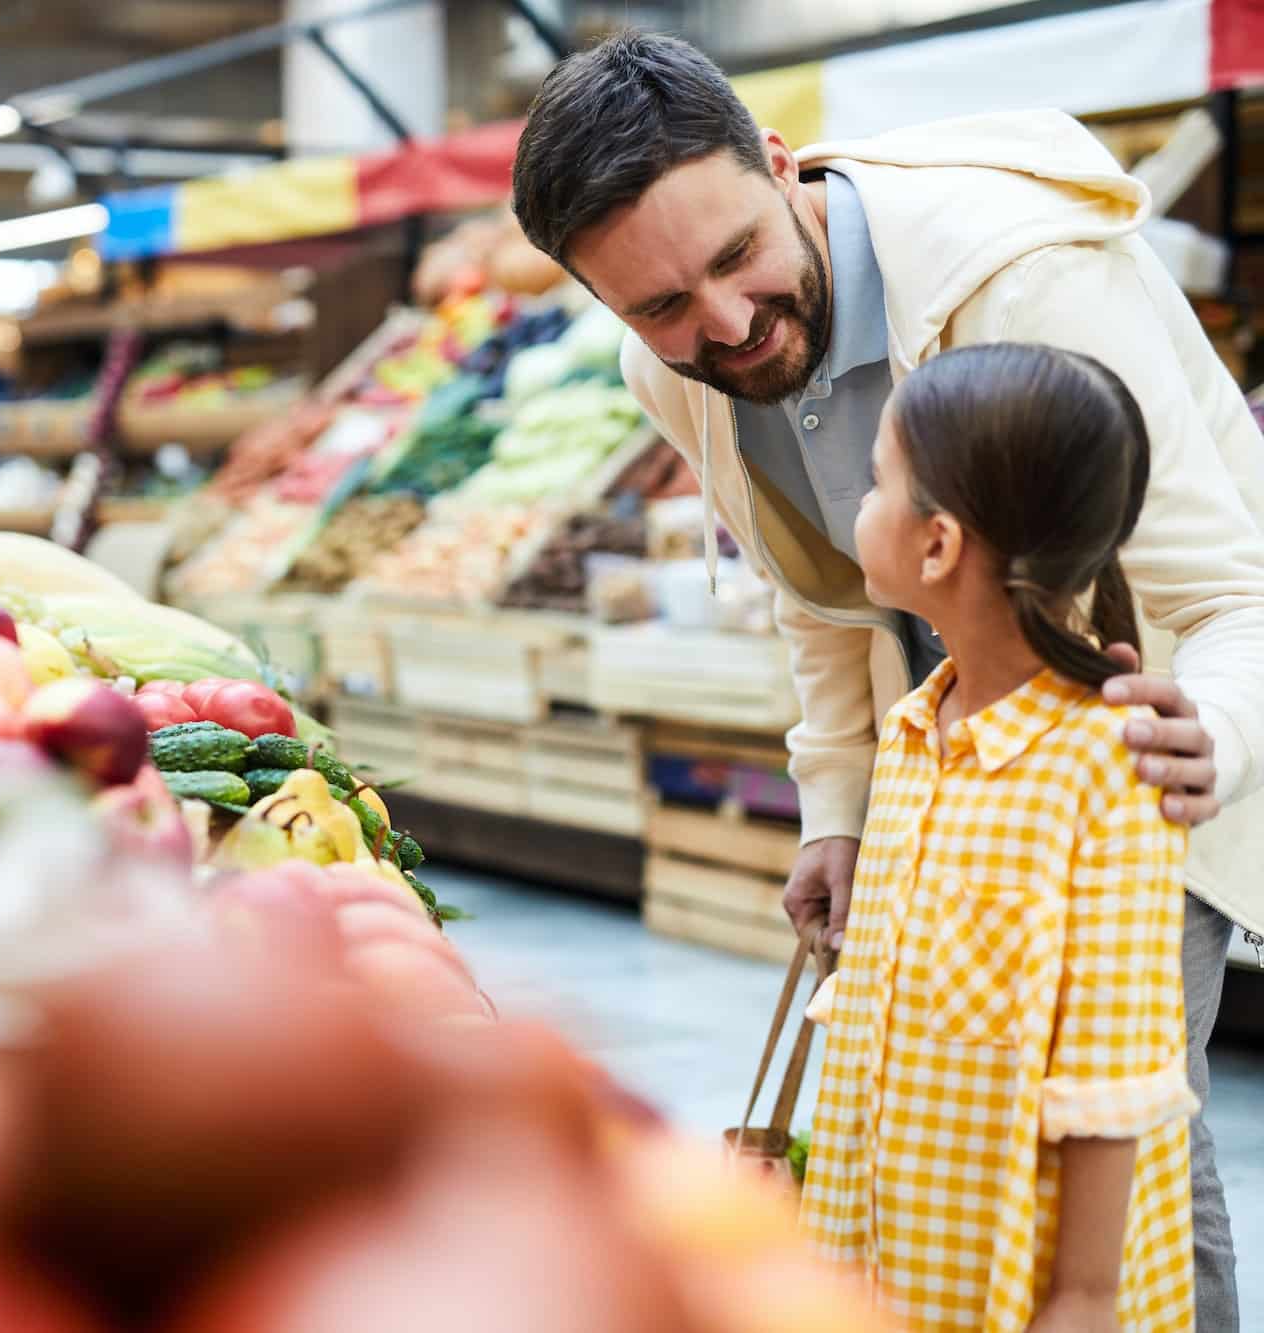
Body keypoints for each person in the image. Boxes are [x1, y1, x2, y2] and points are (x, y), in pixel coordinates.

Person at [511, 33, 1264, 1325]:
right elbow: (815, 598)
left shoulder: (1024, 282)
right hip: (944, 751)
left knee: (1124, 1130)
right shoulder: (670, 370)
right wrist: (838, 816)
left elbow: (1231, 586)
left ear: (778, 162)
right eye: (660, 307)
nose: (728, 328)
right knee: (943, 1094)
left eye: (736, 257)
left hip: (1140, 749)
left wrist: (1215, 737)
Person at [799, 344, 1193, 1330]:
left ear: (935, 546)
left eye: (879, 480)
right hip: (884, 1243)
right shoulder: (911, 731)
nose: (859, 502)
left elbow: (1118, 1066)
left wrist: (1082, 1298)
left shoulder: (1106, 764)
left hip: (1016, 1280)